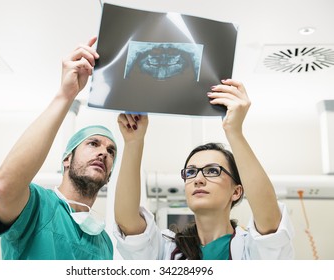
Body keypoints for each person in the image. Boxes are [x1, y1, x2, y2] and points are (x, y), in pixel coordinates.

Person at [114, 79, 295, 260]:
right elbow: (128, 223)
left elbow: (271, 226)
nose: (198, 179)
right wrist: (133, 142)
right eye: (191, 172)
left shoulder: (249, 249)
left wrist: (234, 131)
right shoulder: (166, 249)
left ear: (237, 191)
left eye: (212, 171)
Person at [0, 37, 118, 260]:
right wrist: (66, 95)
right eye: (93, 143)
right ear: (67, 159)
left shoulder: (104, 242)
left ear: (110, 175)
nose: (103, 152)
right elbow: (4, 186)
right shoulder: (38, 206)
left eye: (111, 151)